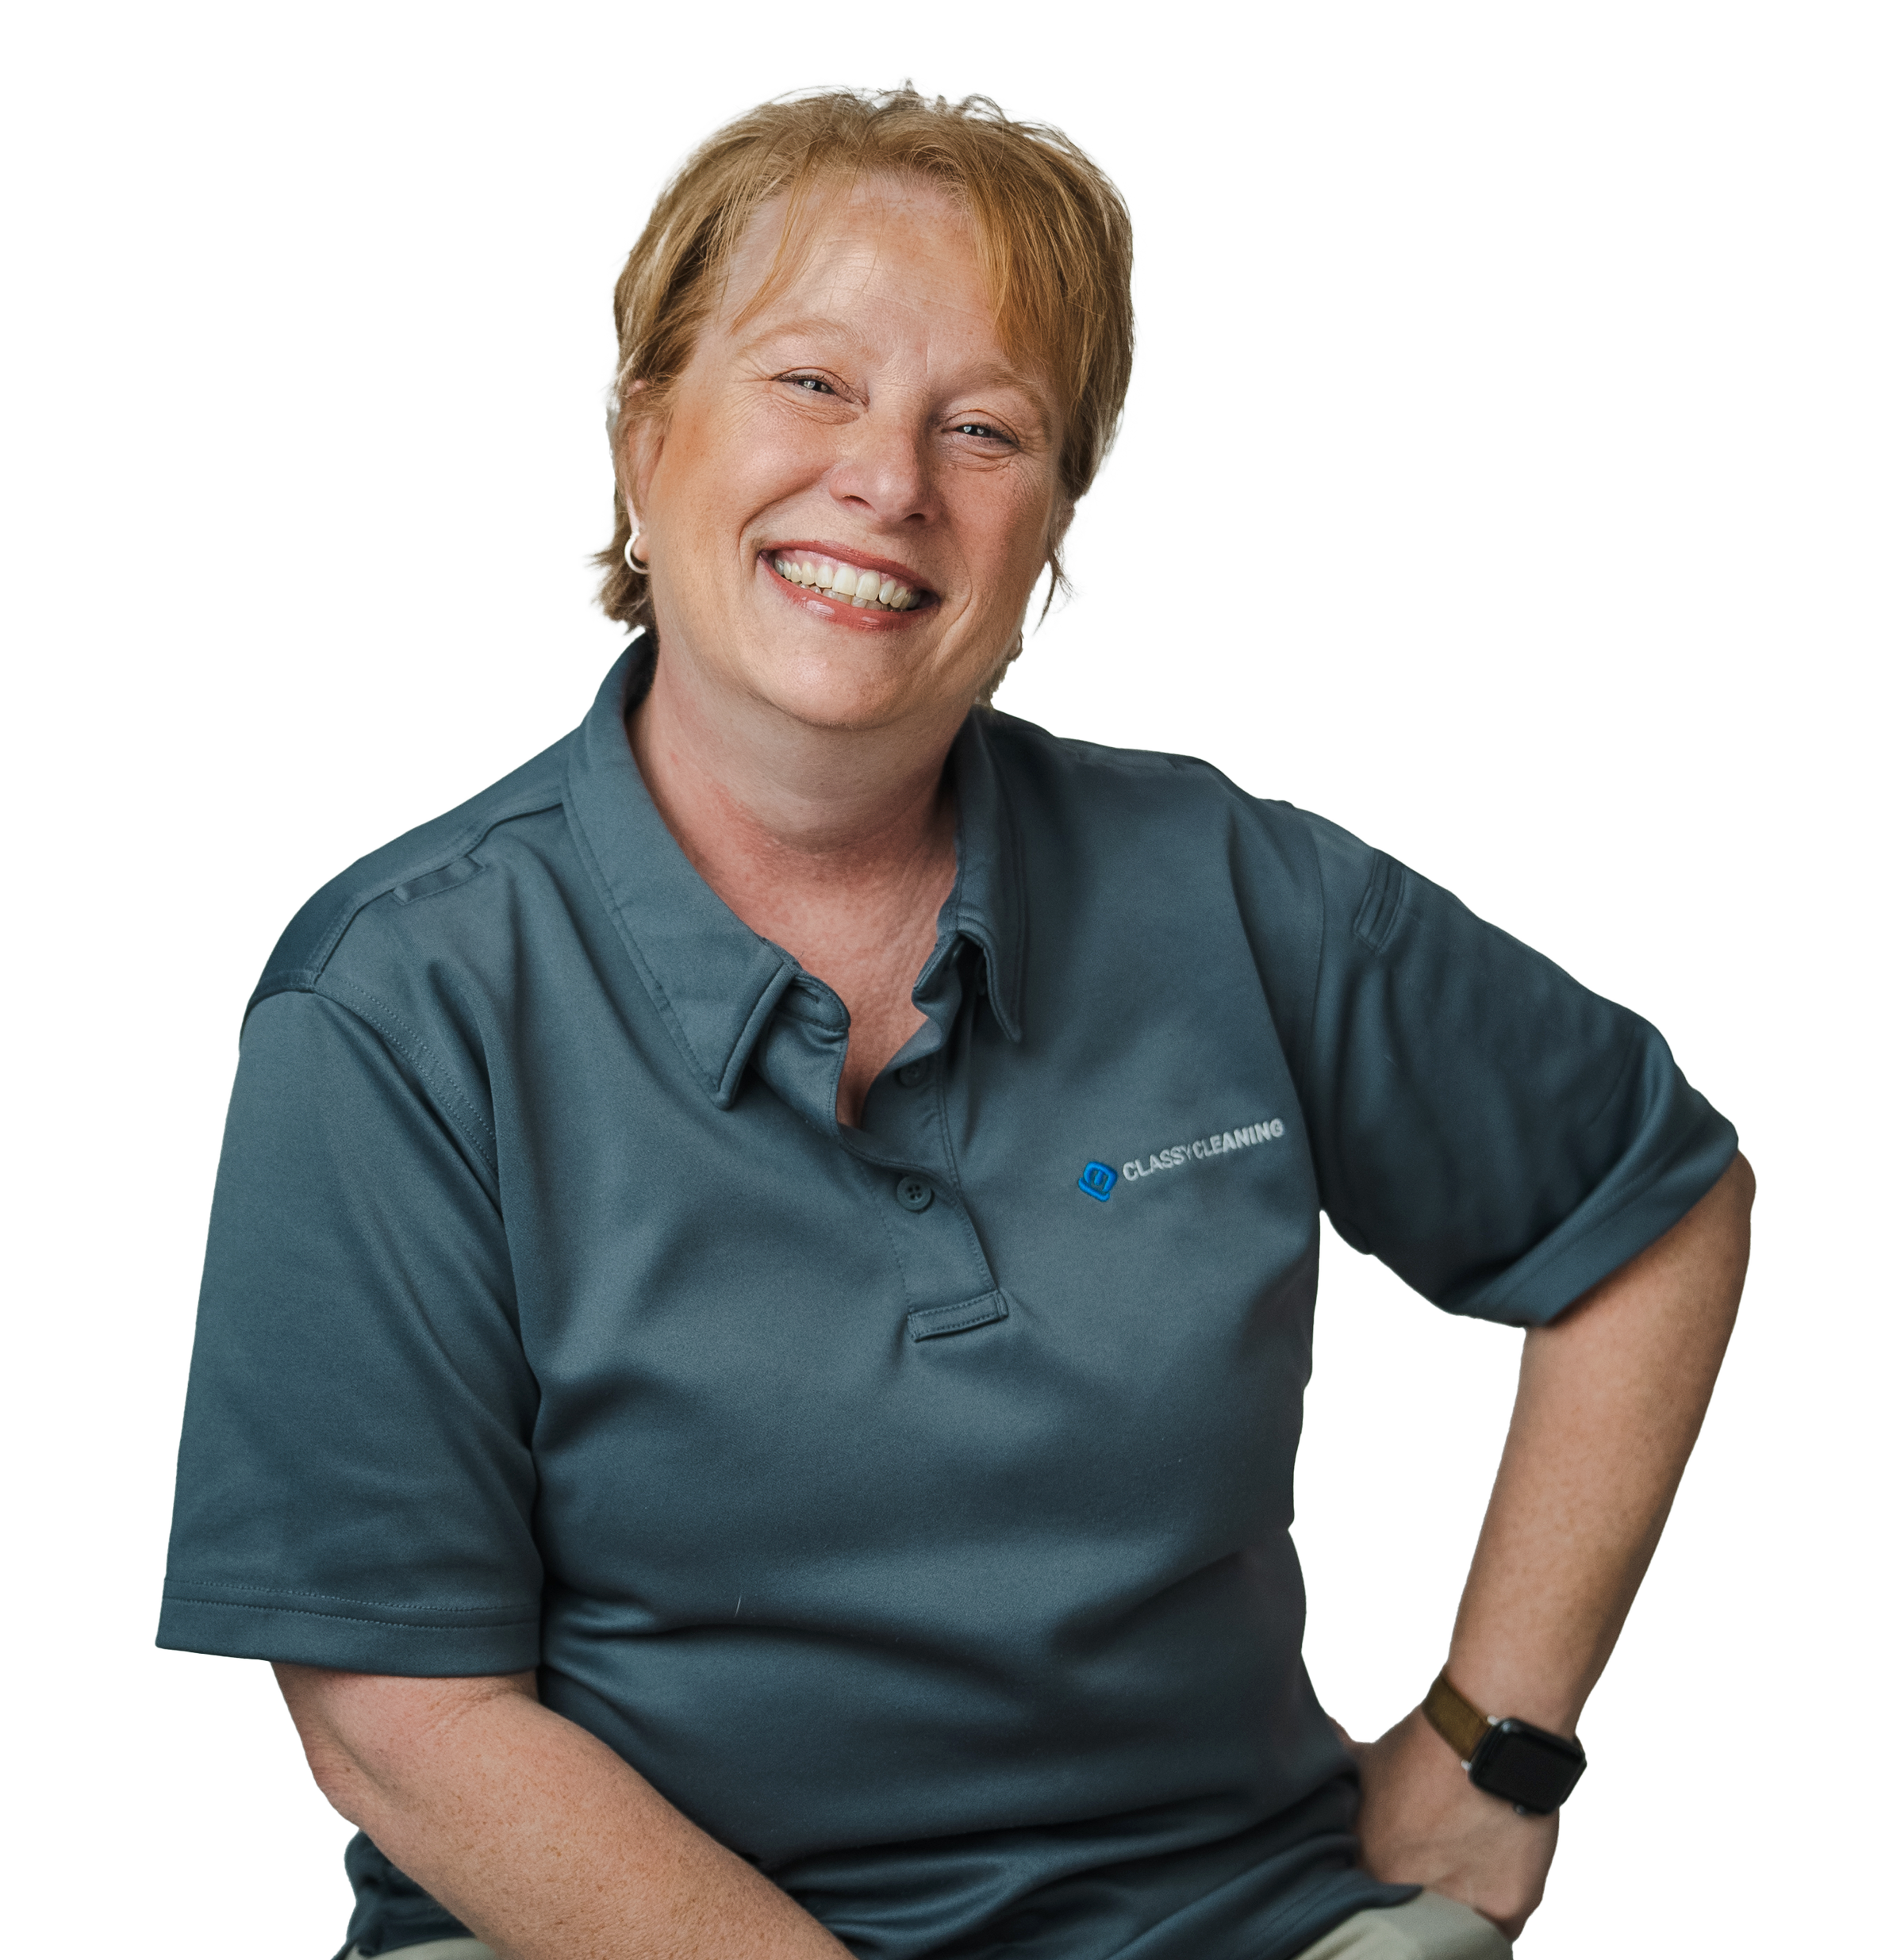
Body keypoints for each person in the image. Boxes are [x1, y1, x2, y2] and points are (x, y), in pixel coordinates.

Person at [155, 77, 1754, 1960]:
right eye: (810, 383)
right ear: (640, 430)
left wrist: (1493, 1746)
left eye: (981, 426)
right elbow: (397, 1722)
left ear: (1051, 526)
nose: (887, 481)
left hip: (1221, 1919)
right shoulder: (394, 1002)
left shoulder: (1225, 885)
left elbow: (1652, 1208)